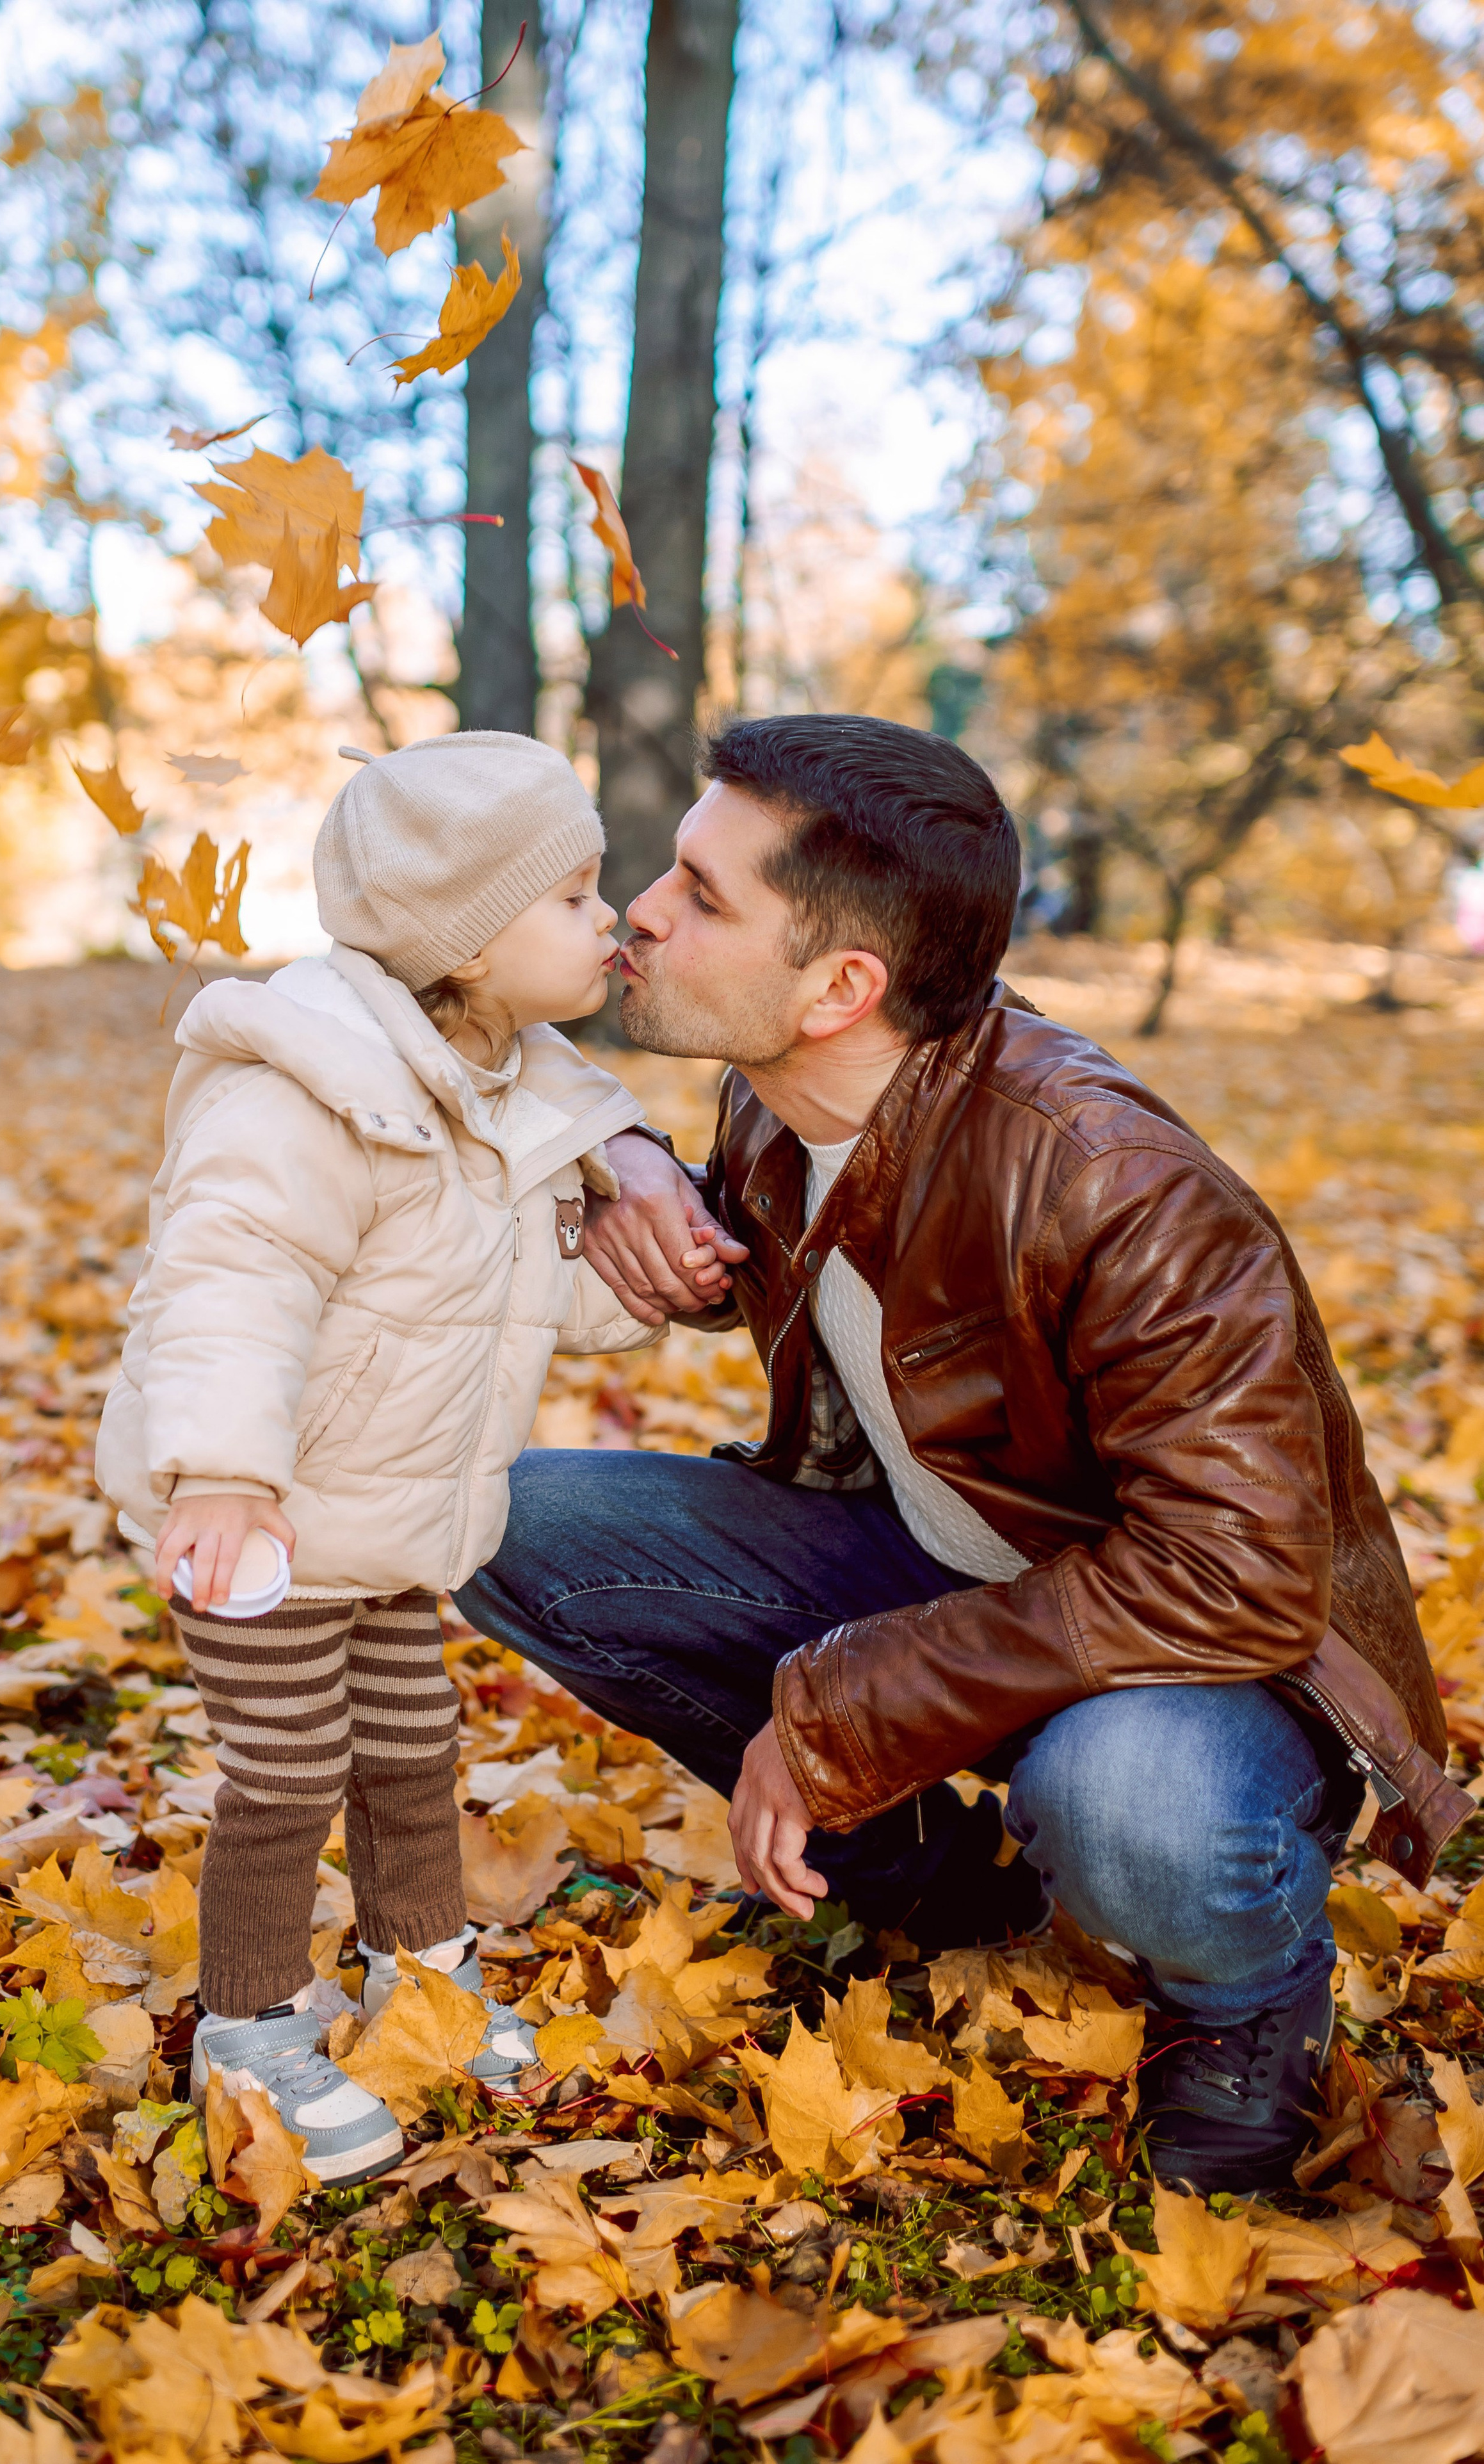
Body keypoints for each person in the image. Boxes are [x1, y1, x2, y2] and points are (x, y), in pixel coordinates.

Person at [456, 712, 1470, 2193]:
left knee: (1125, 1808)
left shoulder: (1115, 1188)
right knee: (486, 1519)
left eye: (699, 894)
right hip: (948, 1570)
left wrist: (841, 1705)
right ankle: (933, 1883)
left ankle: (1242, 2002)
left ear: (840, 986)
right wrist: (619, 1164)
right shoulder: (776, 1095)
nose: (639, 916)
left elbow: (1236, 1577)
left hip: (1209, 1665)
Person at [96, 731, 674, 2184]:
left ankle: (416, 1968)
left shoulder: (496, 1096)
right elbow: (226, 1282)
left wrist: (674, 1280)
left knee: (413, 1750)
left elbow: (528, 1285)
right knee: (287, 1768)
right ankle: (250, 2023)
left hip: (390, 1522)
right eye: (572, 896)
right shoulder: (304, 1089)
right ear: (466, 943)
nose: (609, 919)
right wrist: (223, 1474)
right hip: (262, 1520)